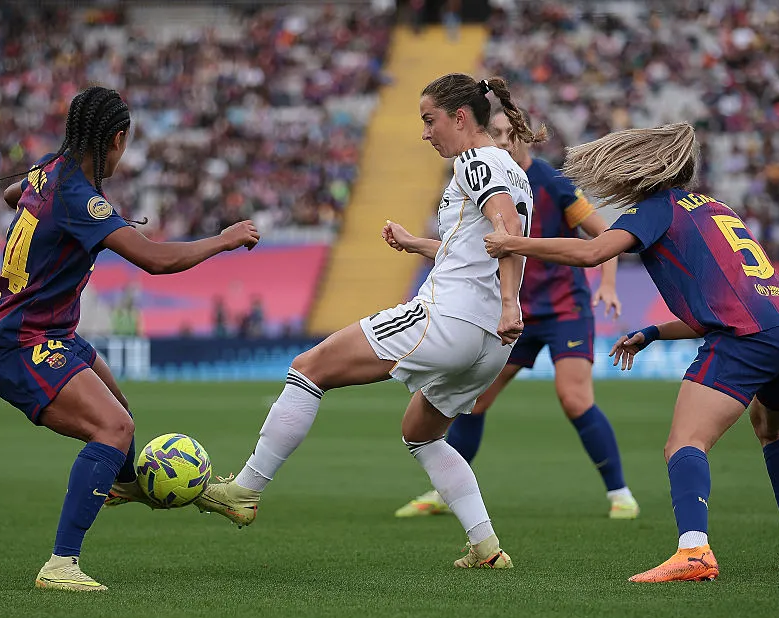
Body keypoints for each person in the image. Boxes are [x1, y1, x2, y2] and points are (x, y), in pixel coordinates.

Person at [196, 73, 542, 569]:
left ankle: (246, 489)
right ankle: (487, 547)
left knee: (308, 367)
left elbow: (506, 229)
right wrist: (418, 246)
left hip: (449, 319)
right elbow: (481, 244)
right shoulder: (512, 167)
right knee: (422, 432)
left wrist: (511, 301)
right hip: (492, 343)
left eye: (430, 120)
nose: (426, 132)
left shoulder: (474, 160)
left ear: (461, 117)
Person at [484, 123, 779, 582]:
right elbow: (734, 303)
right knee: (771, 427)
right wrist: (655, 332)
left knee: (684, 442)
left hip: (751, 336)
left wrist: (513, 243)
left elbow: (594, 253)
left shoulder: (656, 208)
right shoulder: (716, 208)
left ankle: (694, 552)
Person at [0, 86, 259, 592]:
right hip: (18, 344)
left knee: (120, 417)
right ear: (117, 139)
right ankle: (61, 564)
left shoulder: (47, 171)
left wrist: (45, 207)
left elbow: (13, 195)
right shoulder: (80, 197)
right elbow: (156, 260)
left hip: (50, 332)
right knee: (112, 428)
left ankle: (147, 486)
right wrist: (226, 238)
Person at [395, 110, 639, 521]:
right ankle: (447, 490)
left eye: (511, 134)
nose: (505, 142)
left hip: (564, 307)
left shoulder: (552, 183)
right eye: (497, 134)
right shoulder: (480, 175)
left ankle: (620, 493)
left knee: (574, 398)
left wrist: (609, 285)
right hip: (515, 308)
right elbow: (466, 249)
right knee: (474, 401)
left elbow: (604, 235)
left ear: (524, 137)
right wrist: (418, 243)